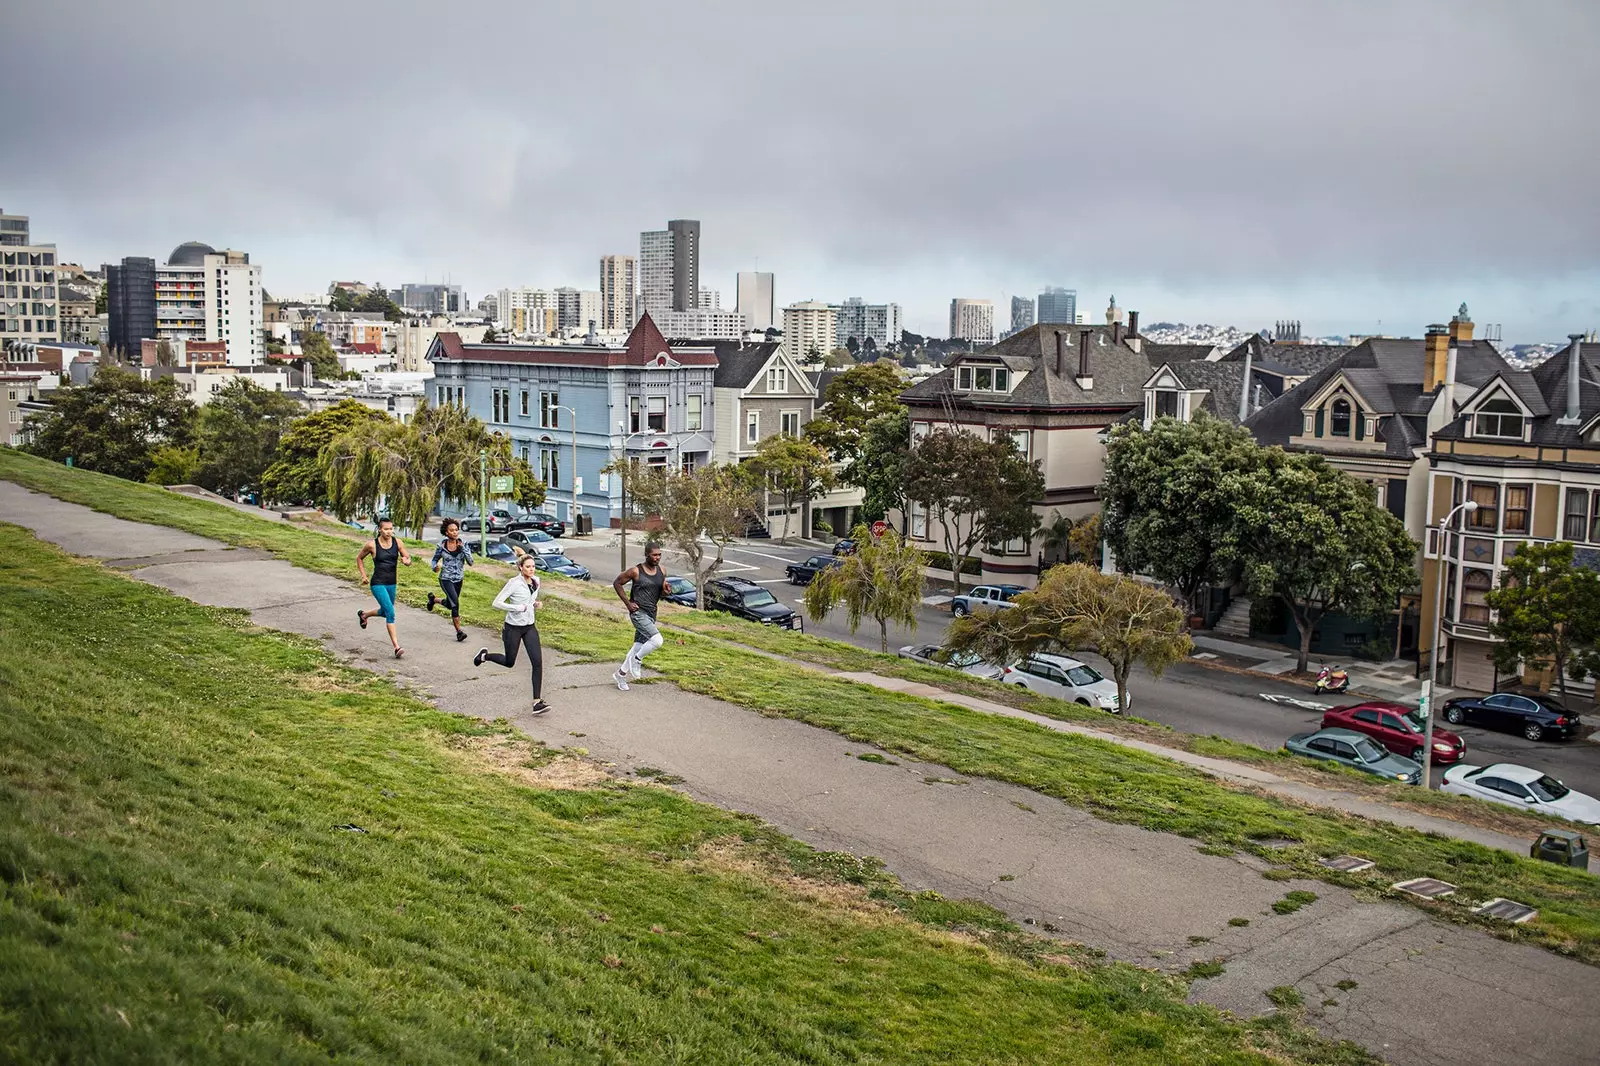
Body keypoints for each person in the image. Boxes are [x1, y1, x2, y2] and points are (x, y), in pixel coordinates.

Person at [474, 554, 549, 715]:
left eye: (533, 566)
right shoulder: (513, 583)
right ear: (521, 568)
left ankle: (537, 702)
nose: (531, 569)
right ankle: (484, 656)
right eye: (528, 567)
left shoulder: (536, 581)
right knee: (509, 662)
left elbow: (530, 600)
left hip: (529, 626)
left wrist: (534, 604)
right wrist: (517, 608)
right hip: (513, 628)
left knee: (537, 663)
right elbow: (497, 603)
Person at [611, 541, 666, 692]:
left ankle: (621, 675)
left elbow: (659, 592)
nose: (657, 558)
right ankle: (637, 660)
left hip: (651, 612)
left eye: (659, 554)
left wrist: (666, 592)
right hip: (638, 612)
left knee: (638, 646)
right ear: (646, 554)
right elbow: (617, 583)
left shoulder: (662, 570)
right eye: (654, 555)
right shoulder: (636, 571)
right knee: (657, 640)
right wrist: (628, 604)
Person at [356, 516, 413, 658]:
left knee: (385, 611)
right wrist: (363, 576)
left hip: (392, 583)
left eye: (391, 529)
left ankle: (364, 615)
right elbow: (359, 558)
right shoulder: (372, 545)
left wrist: (406, 561)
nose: (389, 532)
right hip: (378, 583)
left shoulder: (397, 542)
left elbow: (407, 557)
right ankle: (396, 647)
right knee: (391, 613)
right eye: (386, 529)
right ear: (380, 530)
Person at [427, 518, 474, 642]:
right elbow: (434, 560)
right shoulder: (441, 546)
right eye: (451, 530)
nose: (454, 532)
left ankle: (433, 600)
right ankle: (459, 632)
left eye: (456, 530)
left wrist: (463, 548)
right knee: (455, 604)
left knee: (450, 604)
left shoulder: (464, 544)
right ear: (446, 532)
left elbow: (471, 562)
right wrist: (434, 567)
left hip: (458, 579)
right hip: (445, 579)